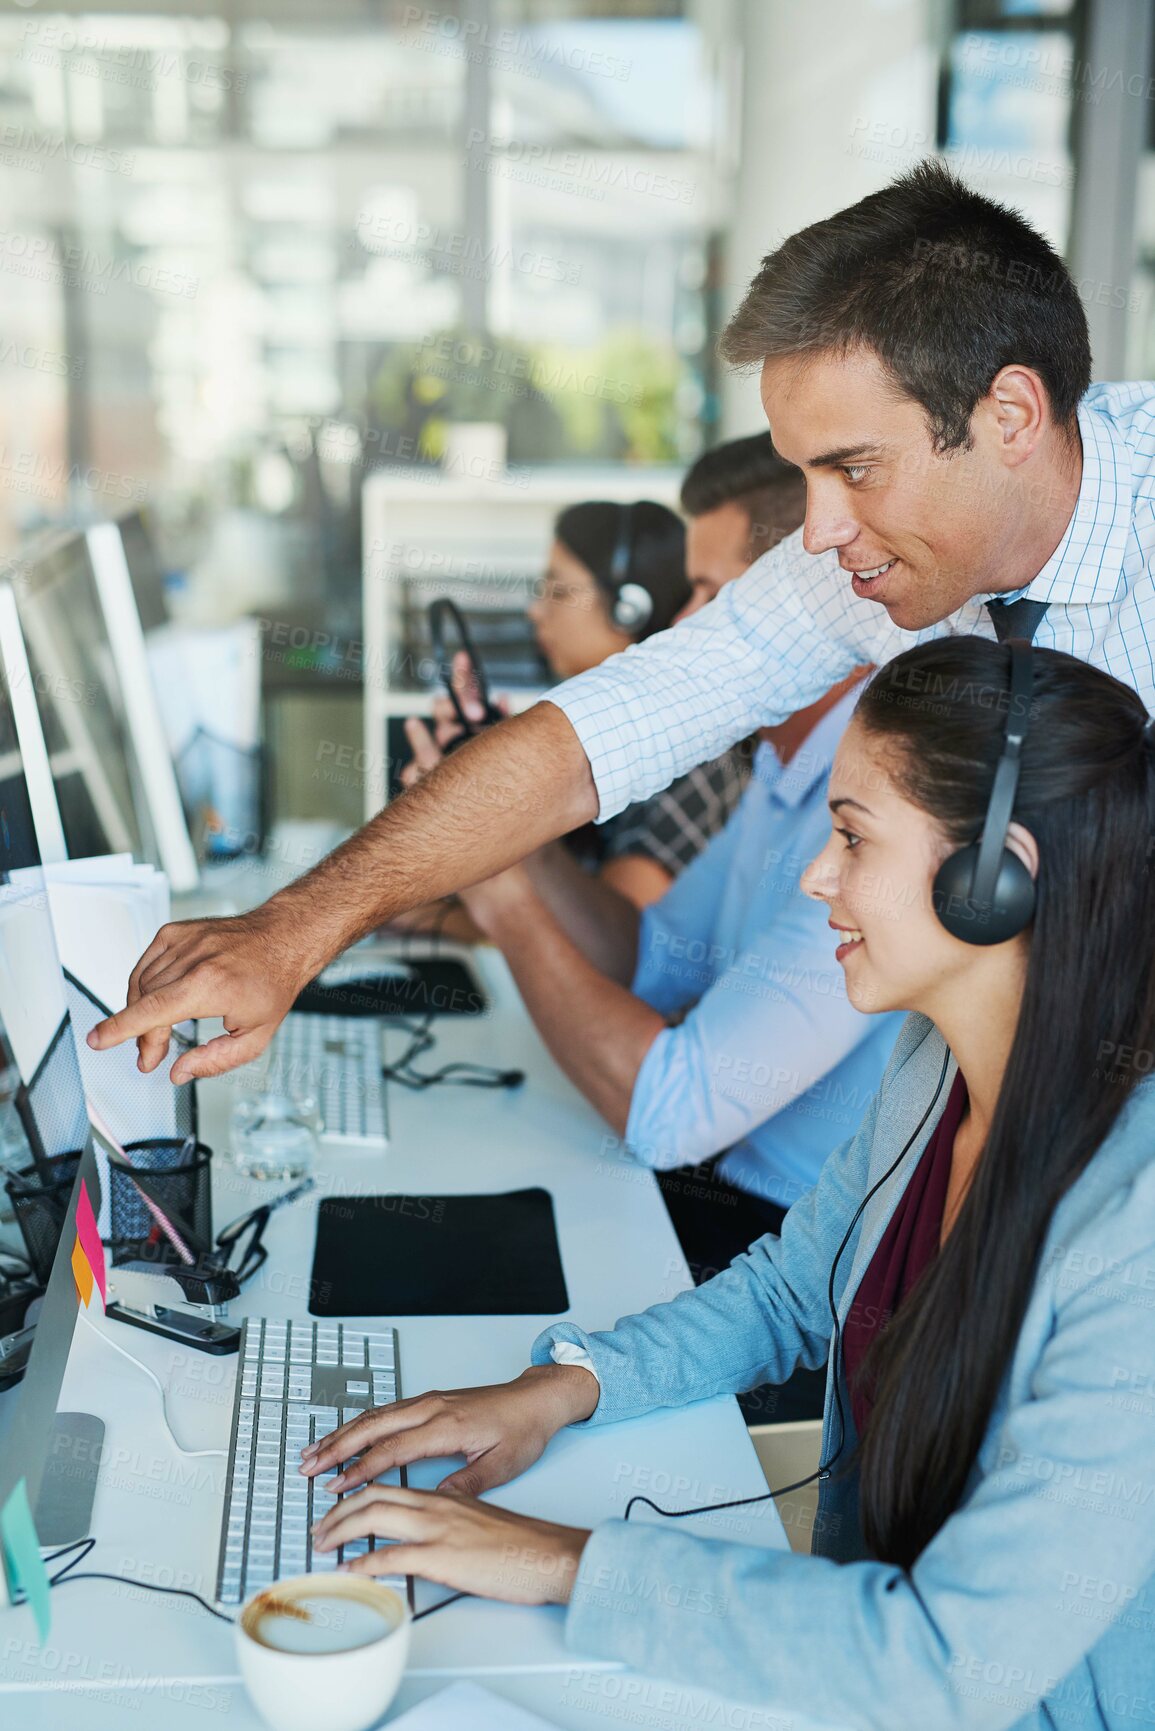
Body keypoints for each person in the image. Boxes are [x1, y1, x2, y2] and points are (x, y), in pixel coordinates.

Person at [90, 161, 1155, 1079]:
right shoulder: (872, 557)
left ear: (1008, 414)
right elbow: (602, 730)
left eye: (856, 469)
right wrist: (291, 931)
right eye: (804, 477)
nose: (820, 532)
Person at [297, 638, 1155, 1728]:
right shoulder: (934, 1064)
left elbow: (952, 1662)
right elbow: (796, 1291)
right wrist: (564, 1388)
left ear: (996, 878)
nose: (817, 876)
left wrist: (563, 1563)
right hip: (841, 1661)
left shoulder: (1135, 1225)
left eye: (852, 838)